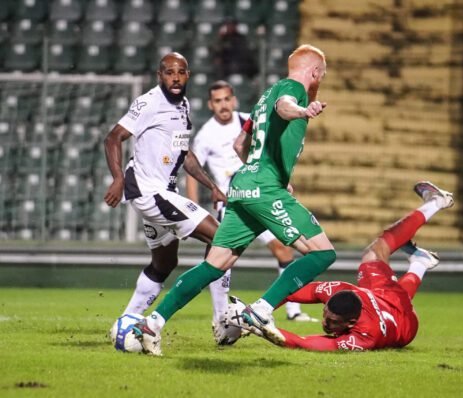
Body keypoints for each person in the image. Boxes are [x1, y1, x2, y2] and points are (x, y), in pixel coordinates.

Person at [133, 44, 335, 356]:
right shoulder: (293, 89)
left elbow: (242, 143)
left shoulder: (263, 96)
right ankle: (261, 310)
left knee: (216, 263)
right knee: (322, 254)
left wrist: (275, 175)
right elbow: (285, 106)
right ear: (316, 72)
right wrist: (302, 111)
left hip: (242, 185)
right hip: (263, 187)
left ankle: (152, 323)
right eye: (322, 75)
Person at [231, 181, 454, 351]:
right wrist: (256, 311)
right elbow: (289, 292)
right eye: (326, 315)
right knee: (375, 255)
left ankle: (433, 213)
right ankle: (423, 252)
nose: (326, 324)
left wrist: (264, 330)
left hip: (404, 325)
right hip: (380, 296)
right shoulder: (336, 291)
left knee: (391, 285)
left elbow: (304, 343)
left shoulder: (367, 335)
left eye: (334, 322)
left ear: (351, 323)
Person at [103, 52, 227, 318]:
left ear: (188, 75)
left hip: (162, 193)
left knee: (165, 263)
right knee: (221, 238)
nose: (175, 77)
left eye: (180, 72)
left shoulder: (183, 106)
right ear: (160, 75)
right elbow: (113, 138)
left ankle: (126, 323)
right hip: (150, 193)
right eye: (169, 72)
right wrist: (117, 178)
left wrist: (211, 186)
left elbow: (184, 155)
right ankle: (222, 317)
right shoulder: (149, 102)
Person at [186, 80, 316, 326]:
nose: (223, 105)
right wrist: (194, 208)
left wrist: (277, 178)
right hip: (233, 202)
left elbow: (266, 150)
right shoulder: (206, 135)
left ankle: (293, 310)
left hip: (260, 194)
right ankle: (221, 315)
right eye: (217, 101)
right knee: (222, 260)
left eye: (226, 99)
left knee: (283, 248)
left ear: (233, 100)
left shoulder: (248, 120)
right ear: (210, 105)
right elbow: (193, 171)